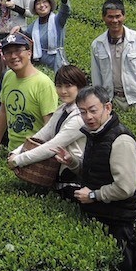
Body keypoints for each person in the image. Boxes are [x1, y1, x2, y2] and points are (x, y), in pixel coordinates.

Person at [53, 86, 136, 271]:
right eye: (83, 112)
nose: (88, 116)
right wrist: (72, 162)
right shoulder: (95, 135)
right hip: (100, 217)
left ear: (108, 107)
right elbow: (94, 171)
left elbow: (125, 187)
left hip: (117, 220)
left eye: (93, 110)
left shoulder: (120, 139)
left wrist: (93, 195)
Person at [8, 65, 88, 195]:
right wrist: (15, 153)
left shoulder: (80, 116)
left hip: (73, 179)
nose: (63, 91)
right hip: (56, 175)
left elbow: (53, 146)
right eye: (59, 86)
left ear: (80, 87)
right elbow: (42, 135)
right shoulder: (62, 109)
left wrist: (19, 160)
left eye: (68, 86)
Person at [0, 33, 57, 153]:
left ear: (29, 52)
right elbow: (3, 111)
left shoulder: (43, 84)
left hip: (33, 152)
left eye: (18, 50)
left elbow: (49, 125)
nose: (13, 56)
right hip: (12, 150)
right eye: (8, 52)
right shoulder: (8, 76)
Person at [90, 0, 136, 124]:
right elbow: (97, 76)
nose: (115, 21)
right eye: (110, 17)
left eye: (118, 16)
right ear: (103, 18)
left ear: (124, 16)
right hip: (113, 98)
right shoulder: (97, 44)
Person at [21, 0, 71, 72]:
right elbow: (25, 39)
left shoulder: (57, 20)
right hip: (41, 66)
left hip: (58, 63)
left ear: (49, 4)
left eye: (44, 2)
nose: (42, 5)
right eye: (38, 3)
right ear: (35, 8)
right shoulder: (32, 28)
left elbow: (65, 10)